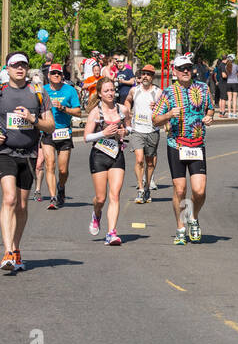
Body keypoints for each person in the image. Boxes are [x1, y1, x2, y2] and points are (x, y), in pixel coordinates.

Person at [0, 52, 54, 272]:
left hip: (28, 154)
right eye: (15, 65)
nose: (20, 69)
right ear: (7, 69)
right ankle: (8, 251)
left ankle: (17, 249)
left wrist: (33, 119)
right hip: (4, 151)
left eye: (24, 65)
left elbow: (50, 126)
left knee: (21, 204)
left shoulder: (38, 94)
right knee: (9, 199)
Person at [152, 54, 215, 245]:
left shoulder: (203, 88)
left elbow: (210, 109)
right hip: (176, 145)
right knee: (180, 190)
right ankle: (180, 227)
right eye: (182, 69)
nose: (186, 71)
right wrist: (169, 114)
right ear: (175, 72)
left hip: (197, 145)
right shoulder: (168, 93)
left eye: (188, 68)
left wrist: (209, 117)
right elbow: (155, 119)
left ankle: (193, 217)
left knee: (199, 190)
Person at [83, 76, 130, 246]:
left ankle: (111, 233)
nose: (110, 93)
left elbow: (129, 127)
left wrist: (125, 132)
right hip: (99, 155)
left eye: (112, 90)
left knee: (115, 195)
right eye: (106, 91)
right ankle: (96, 214)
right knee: (101, 198)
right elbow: (86, 137)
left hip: (117, 154)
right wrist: (104, 133)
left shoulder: (122, 109)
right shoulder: (96, 112)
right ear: (100, 94)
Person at [41, 63, 84, 210]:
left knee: (63, 170)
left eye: (58, 73)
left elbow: (78, 112)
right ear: (48, 75)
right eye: (53, 73)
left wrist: (63, 108)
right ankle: (53, 198)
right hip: (47, 132)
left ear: (62, 75)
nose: (56, 76)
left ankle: (61, 186)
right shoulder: (43, 91)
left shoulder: (70, 91)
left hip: (64, 132)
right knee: (50, 164)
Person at [127, 64, 163, 203]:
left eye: (148, 74)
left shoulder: (158, 92)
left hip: (152, 130)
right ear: (140, 76)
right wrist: (127, 113)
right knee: (139, 159)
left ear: (152, 77)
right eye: (143, 74)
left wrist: (158, 107)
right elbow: (127, 101)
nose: (145, 76)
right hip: (137, 130)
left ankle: (148, 186)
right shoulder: (134, 90)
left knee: (150, 162)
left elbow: (165, 108)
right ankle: (141, 189)